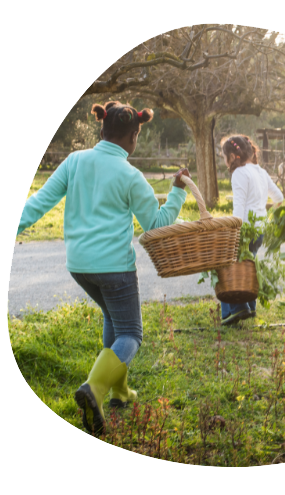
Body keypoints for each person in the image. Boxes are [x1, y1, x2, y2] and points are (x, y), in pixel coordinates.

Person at [17, 101, 191, 435]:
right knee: (131, 333)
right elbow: (155, 223)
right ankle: (94, 389)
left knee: (113, 319)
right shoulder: (130, 175)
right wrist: (177, 192)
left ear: (101, 130)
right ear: (134, 136)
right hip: (116, 269)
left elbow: (39, 203)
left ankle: (119, 393)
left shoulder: (75, 161)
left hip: (80, 267)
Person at [220, 135, 284, 326]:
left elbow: (238, 208)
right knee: (248, 265)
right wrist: (264, 213)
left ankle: (236, 308)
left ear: (232, 156)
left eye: (224, 157)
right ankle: (250, 306)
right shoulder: (260, 172)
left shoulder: (239, 173)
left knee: (226, 265)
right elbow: (279, 196)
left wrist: (234, 232)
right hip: (259, 230)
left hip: (244, 229)